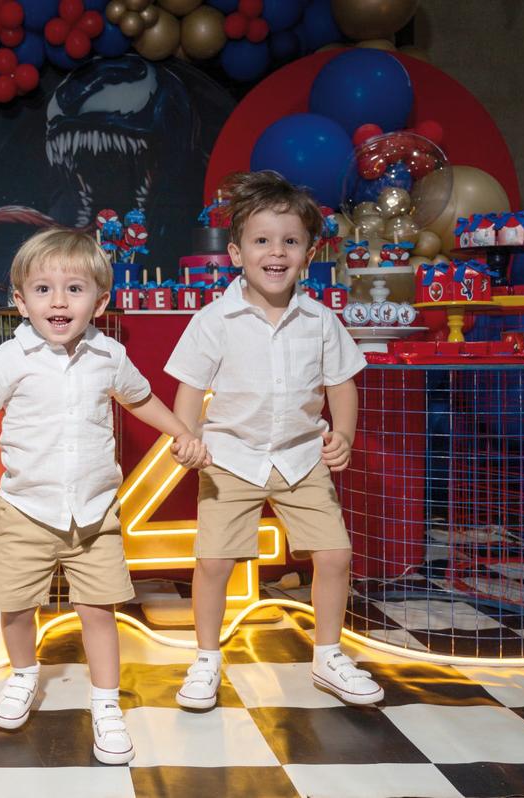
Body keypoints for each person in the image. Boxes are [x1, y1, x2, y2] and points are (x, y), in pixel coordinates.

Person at [0, 228, 210, 765]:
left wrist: (181, 432)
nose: (60, 301)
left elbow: (141, 401)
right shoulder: (8, 360)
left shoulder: (107, 355)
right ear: (20, 301)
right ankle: (24, 675)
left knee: (99, 609)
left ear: (100, 299)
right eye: (43, 290)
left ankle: (106, 703)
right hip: (26, 508)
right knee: (18, 606)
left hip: (94, 514)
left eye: (74, 288)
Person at [164, 171, 383, 708]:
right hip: (230, 456)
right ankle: (206, 658)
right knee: (214, 563)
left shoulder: (321, 321)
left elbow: (342, 383)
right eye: (262, 241)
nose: (276, 253)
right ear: (236, 252)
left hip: (301, 456)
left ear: (309, 252)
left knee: (334, 555)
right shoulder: (214, 319)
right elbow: (189, 388)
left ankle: (328, 656)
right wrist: (186, 437)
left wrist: (345, 435)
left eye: (290, 241)